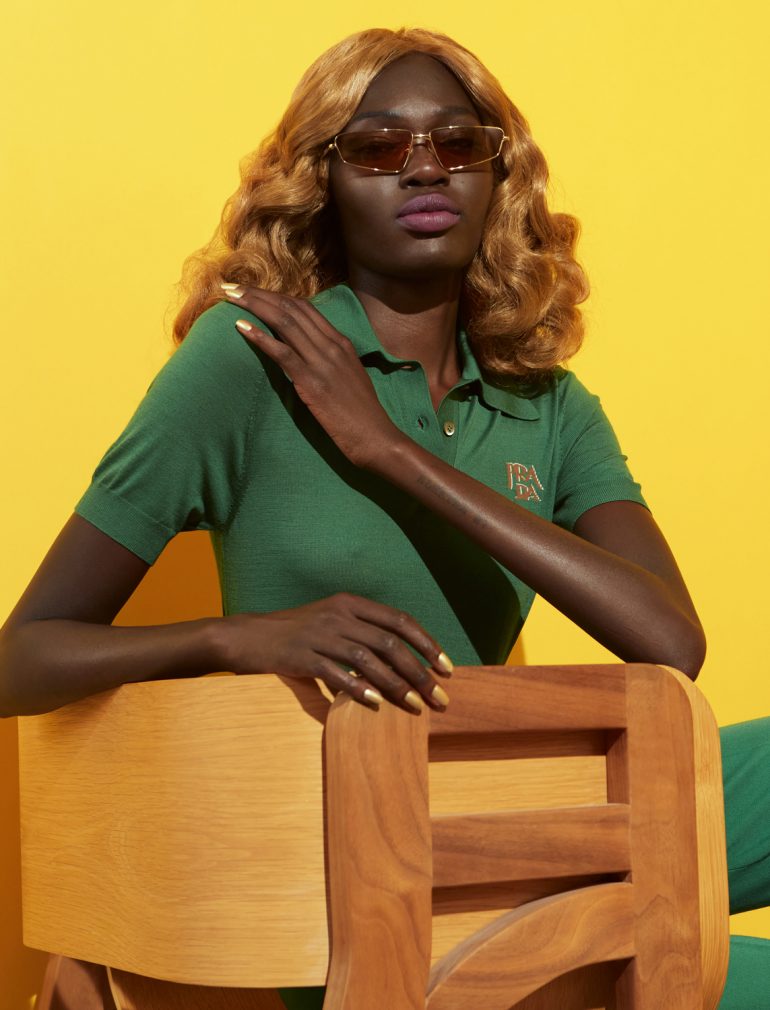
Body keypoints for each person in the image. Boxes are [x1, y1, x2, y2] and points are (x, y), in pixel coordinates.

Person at [0, 26, 766, 1010]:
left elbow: (669, 641)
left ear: (497, 175)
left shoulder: (546, 403)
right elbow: (21, 659)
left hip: (525, 829)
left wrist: (391, 452)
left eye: (457, 143)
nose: (424, 168)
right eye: (377, 147)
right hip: (346, 874)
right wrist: (239, 638)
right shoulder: (250, 359)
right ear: (322, 181)